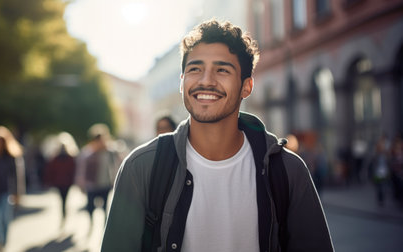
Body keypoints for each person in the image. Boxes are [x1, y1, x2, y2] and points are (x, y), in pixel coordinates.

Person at [101, 20, 333, 252]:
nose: (206, 81)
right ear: (182, 83)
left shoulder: (288, 171)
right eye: (195, 69)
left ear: (247, 86)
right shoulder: (141, 167)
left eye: (222, 70)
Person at [75, 123, 121, 234]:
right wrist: (80, 184)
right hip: (91, 185)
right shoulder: (88, 152)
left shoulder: (111, 151)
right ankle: (91, 225)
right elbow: (81, 169)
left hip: (105, 184)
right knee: (90, 207)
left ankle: (104, 230)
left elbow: (119, 164)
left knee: (105, 208)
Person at [43, 132, 79, 228]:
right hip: (60, 183)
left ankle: (64, 215)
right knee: (63, 200)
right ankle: (64, 215)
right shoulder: (56, 158)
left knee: (64, 200)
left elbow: (74, 171)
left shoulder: (70, 158)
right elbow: (50, 171)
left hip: (66, 183)